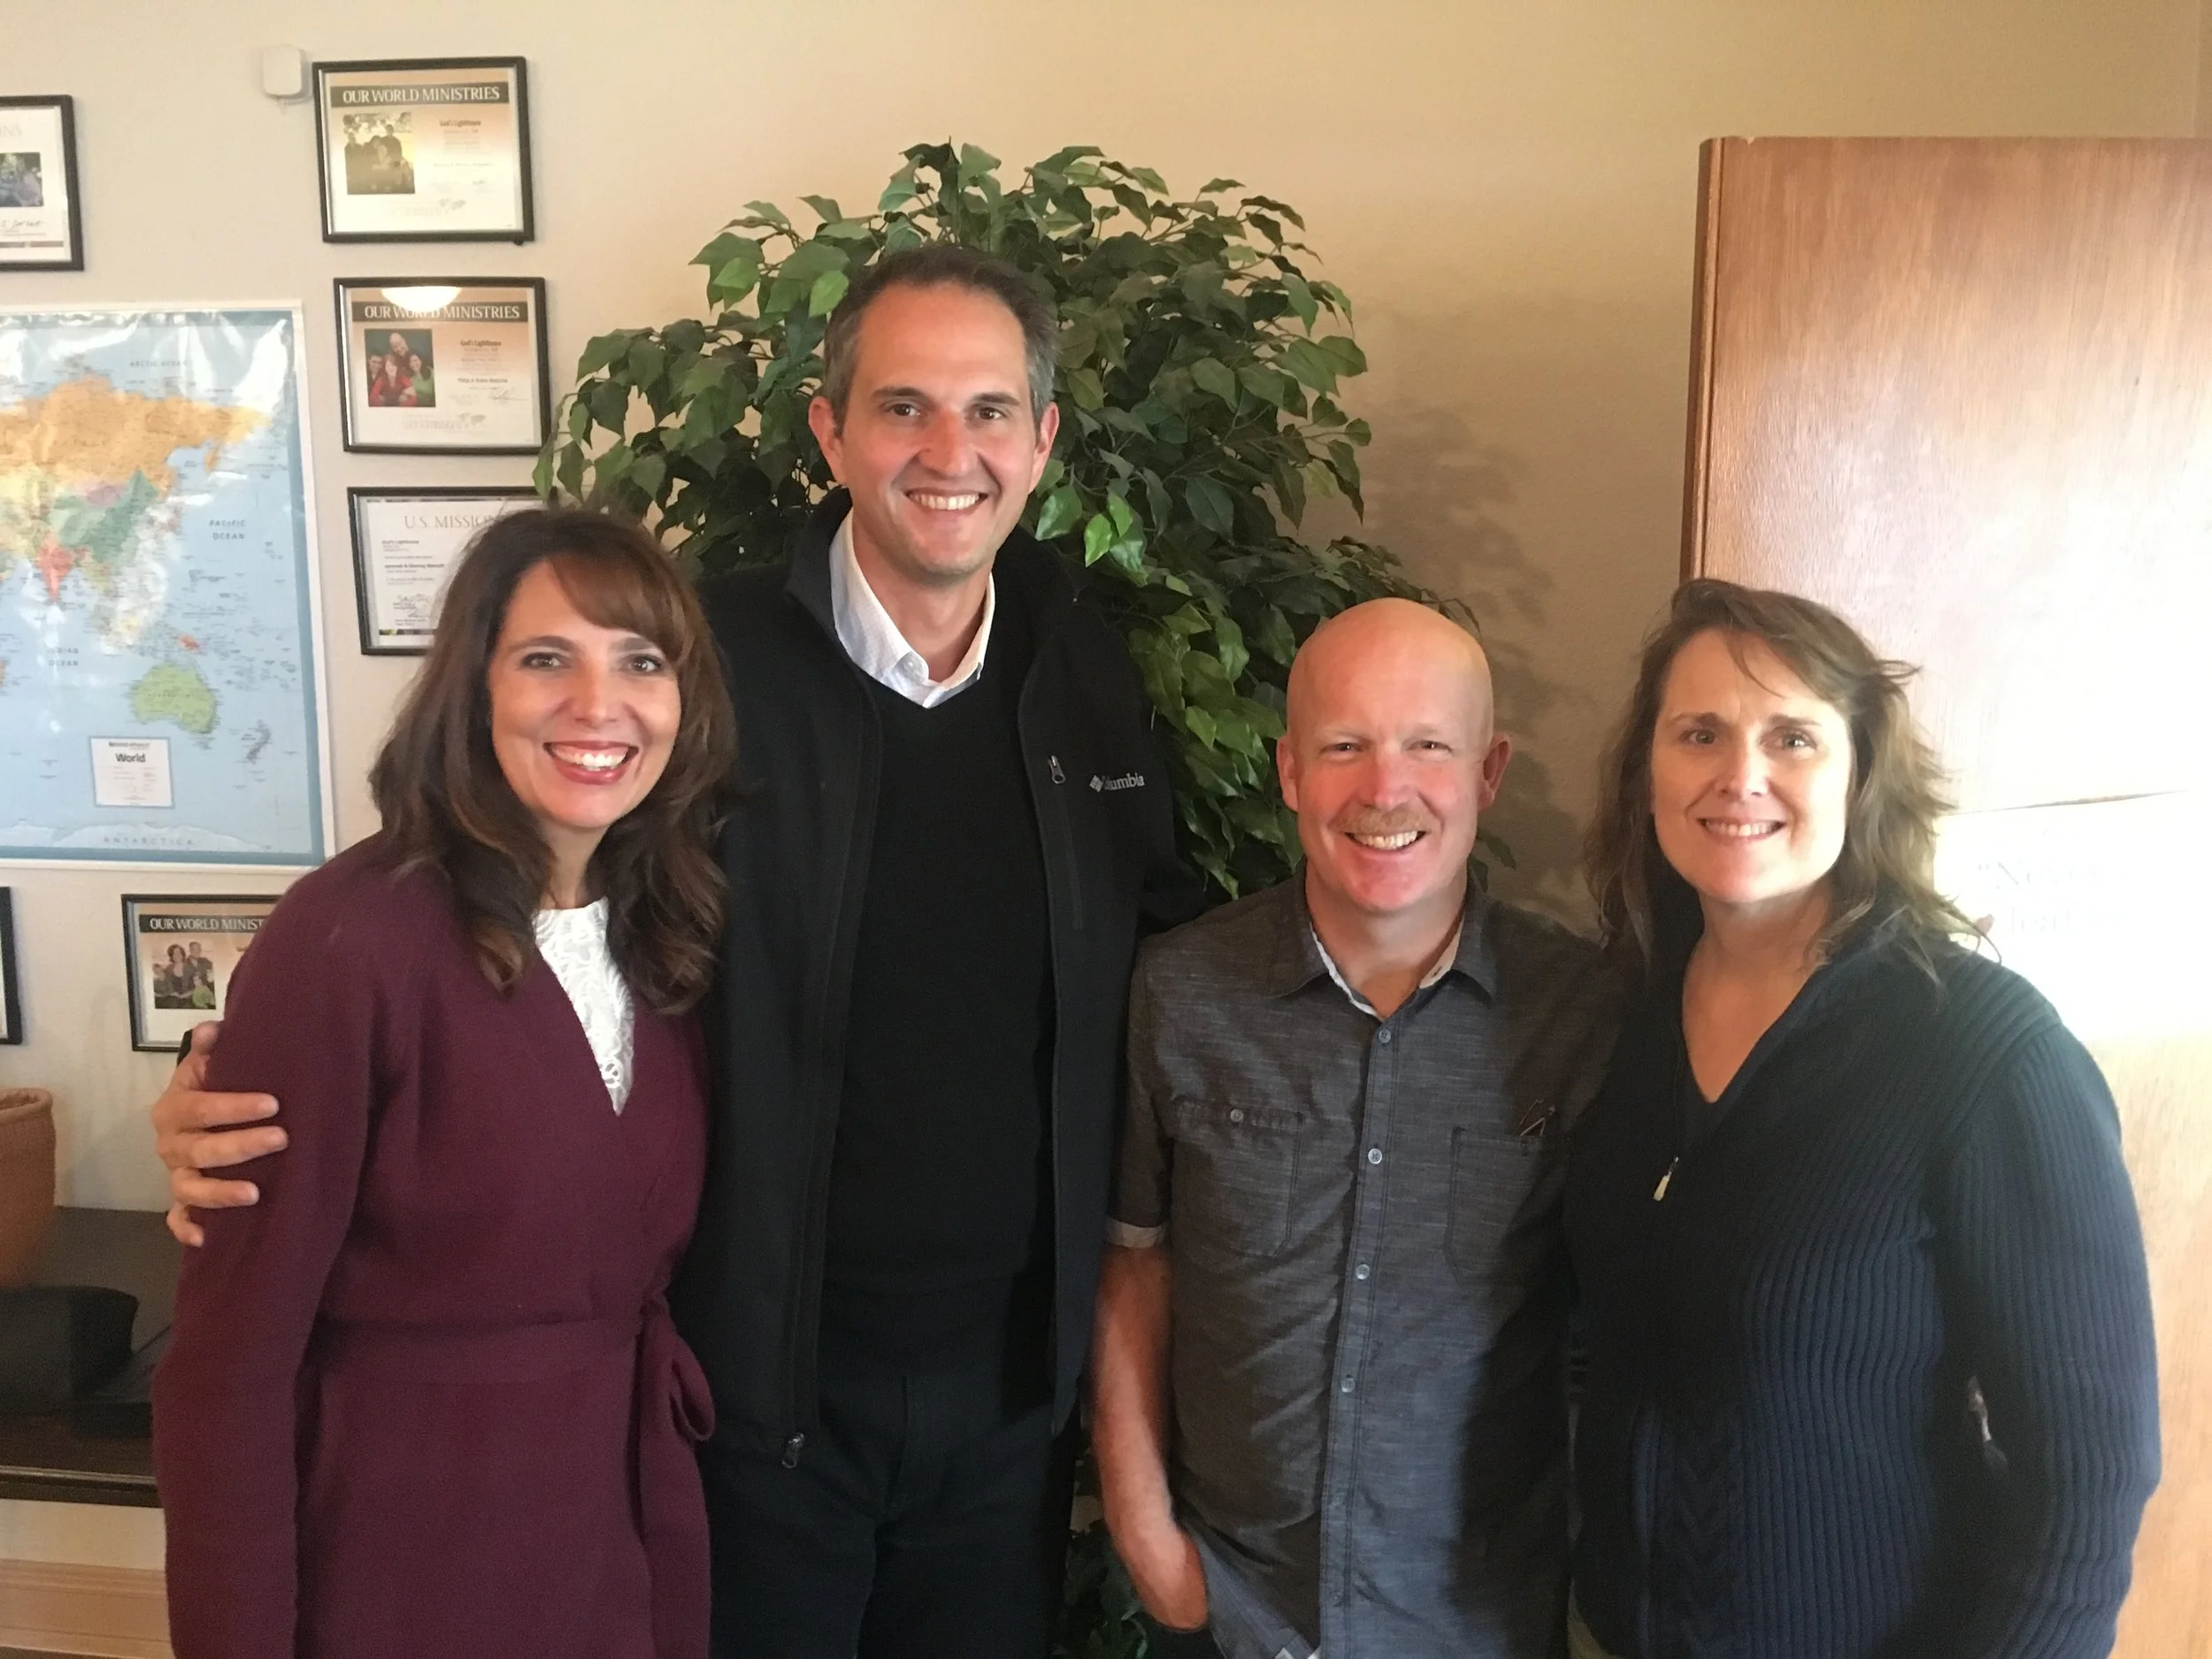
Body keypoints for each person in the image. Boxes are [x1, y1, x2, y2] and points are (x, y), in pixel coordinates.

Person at [151, 244, 1201, 1659]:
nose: (951, 451)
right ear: (829, 429)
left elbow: (1164, 987)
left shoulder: (1085, 676)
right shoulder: (699, 659)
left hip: (1005, 1412)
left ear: (1042, 439)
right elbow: (484, 927)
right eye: (903, 406)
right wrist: (232, 1084)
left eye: (990, 410)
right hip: (744, 1405)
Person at [151, 509, 737, 1659]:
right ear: (471, 684)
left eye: (640, 660)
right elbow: (227, 1369)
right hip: (402, 1565)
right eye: (545, 659)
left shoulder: (665, 933)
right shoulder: (345, 941)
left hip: (612, 1549)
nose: (598, 702)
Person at [1564, 580, 2160, 1659]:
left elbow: (2086, 1482)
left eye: (1791, 736)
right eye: (1698, 733)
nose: (1739, 775)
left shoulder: (1982, 1051)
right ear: (1646, 770)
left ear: (1859, 775)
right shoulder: (1624, 1017)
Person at [1094, 598, 1620, 1659]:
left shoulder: (1582, 1012)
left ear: (1488, 771)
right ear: (1289, 771)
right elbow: (1134, 1267)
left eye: (1428, 745)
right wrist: (1145, 1538)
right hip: (1233, 1614)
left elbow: (1612, 1326)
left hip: (1479, 1624)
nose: (1386, 789)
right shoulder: (1180, 991)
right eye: (1345, 747)